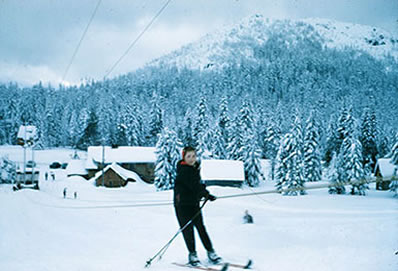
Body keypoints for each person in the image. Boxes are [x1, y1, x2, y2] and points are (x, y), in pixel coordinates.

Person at [174, 146, 221, 266]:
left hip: (193, 203)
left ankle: (210, 251)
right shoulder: (184, 170)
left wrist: (204, 193)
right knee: (188, 230)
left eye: (193, 156)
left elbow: (197, 185)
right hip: (182, 205)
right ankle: (192, 254)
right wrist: (205, 194)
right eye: (188, 156)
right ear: (183, 157)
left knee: (201, 227)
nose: (192, 159)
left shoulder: (194, 168)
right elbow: (193, 186)